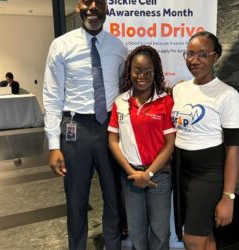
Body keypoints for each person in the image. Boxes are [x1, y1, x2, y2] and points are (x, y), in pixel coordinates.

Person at [43, 0, 128, 249]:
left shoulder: (119, 47)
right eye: (86, 1)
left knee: (113, 198)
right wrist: (53, 145)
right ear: (78, 5)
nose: (92, 8)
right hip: (74, 129)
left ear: (106, 8)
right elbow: (52, 95)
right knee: (76, 199)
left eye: (98, 2)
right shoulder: (61, 45)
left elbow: (125, 90)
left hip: (110, 130)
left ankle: (113, 246)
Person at [171, 31, 239, 250]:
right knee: (204, 236)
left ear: (215, 57)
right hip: (180, 168)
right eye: (190, 54)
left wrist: (228, 197)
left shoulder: (227, 94)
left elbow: (232, 149)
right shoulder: (180, 89)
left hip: (207, 173)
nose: (194, 60)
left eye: (203, 54)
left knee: (192, 238)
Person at [108, 45, 176, 250]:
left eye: (148, 71)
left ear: (156, 73)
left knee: (159, 231)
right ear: (129, 71)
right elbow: (112, 141)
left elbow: (170, 143)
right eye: (137, 70)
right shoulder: (120, 102)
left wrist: (149, 173)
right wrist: (133, 173)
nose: (142, 76)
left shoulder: (165, 102)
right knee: (137, 232)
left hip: (159, 176)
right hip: (130, 177)